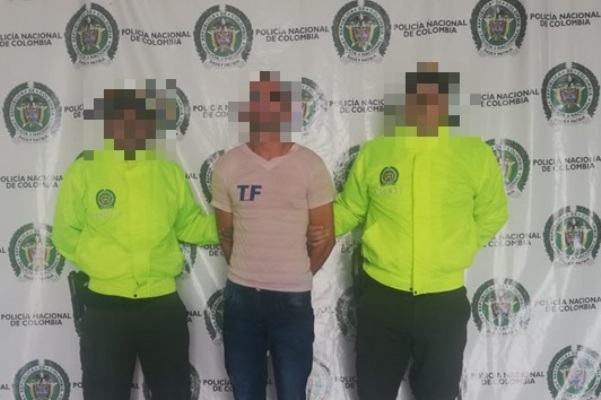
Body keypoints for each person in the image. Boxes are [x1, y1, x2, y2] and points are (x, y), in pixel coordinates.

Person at [331, 62, 509, 400]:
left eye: (435, 97)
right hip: (382, 297)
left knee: (439, 393)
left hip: (444, 301)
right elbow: (349, 209)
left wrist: (457, 247)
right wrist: (302, 222)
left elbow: (493, 213)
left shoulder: (473, 154)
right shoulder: (377, 152)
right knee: (373, 393)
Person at [52, 80, 218, 400]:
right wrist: (102, 265)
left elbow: (189, 224)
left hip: (161, 306)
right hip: (104, 308)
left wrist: (236, 226)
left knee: (173, 393)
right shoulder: (85, 169)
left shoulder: (167, 171)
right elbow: (65, 233)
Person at [211, 71, 335, 400]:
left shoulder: (310, 165)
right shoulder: (228, 166)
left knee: (292, 392)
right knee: (245, 391)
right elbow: (226, 235)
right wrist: (250, 269)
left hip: (292, 301)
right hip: (241, 299)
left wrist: (296, 273)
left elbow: (326, 237)